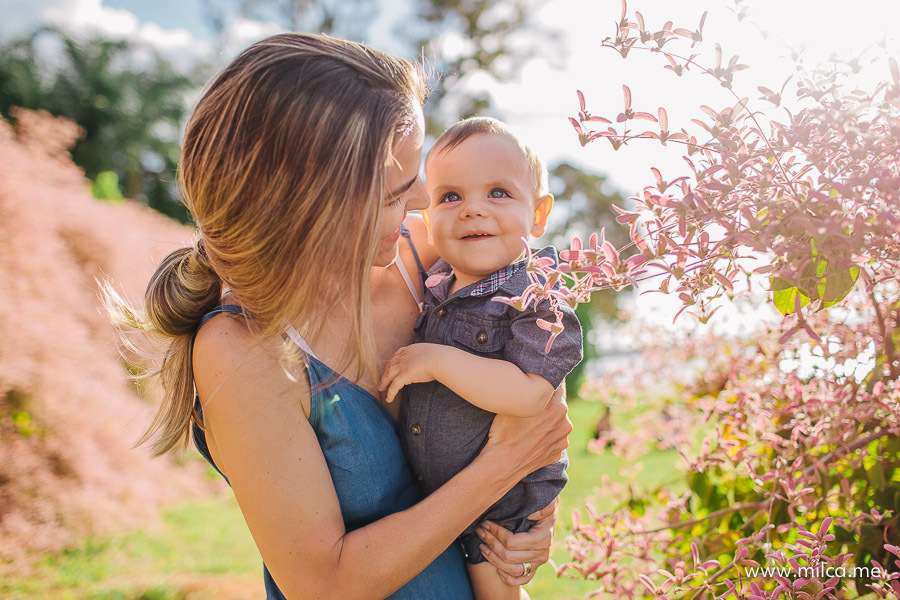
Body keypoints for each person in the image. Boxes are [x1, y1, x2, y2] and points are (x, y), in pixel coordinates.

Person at [103, 33, 572, 600]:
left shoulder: (422, 256)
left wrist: (528, 515)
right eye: (398, 191)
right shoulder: (242, 351)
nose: (426, 200)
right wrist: (500, 468)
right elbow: (322, 583)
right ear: (316, 209)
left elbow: (534, 342)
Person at [379, 117, 583, 599]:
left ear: (538, 214)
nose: (473, 211)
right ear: (427, 218)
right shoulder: (437, 281)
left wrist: (436, 361)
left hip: (500, 506)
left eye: (498, 193)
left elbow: (532, 393)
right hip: (445, 494)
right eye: (450, 197)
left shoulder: (538, 298)